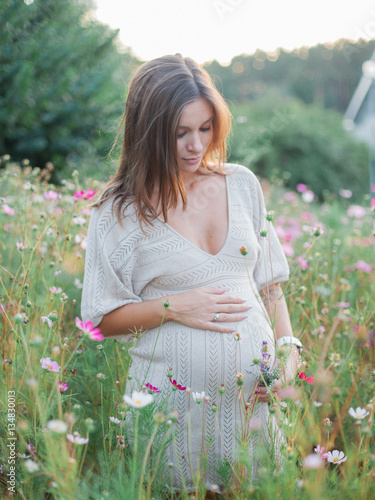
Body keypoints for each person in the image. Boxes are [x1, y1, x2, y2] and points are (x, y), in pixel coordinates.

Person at [81, 54, 301, 495]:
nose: (195, 146)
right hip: (168, 418)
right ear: (147, 131)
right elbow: (98, 322)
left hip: (249, 411)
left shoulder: (241, 185)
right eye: (179, 133)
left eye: (205, 129)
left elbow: (270, 285)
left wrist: (288, 352)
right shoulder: (117, 213)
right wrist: (175, 306)